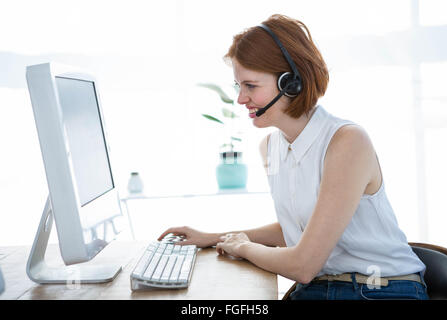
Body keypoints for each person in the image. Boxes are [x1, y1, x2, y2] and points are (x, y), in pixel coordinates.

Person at [159, 14, 428, 300]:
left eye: (251, 86)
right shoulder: (271, 147)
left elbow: (303, 265)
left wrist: (243, 247)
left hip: (380, 288)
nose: (240, 99)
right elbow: (295, 229)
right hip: (320, 288)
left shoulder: (347, 142)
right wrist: (212, 238)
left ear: (291, 83)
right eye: (239, 86)